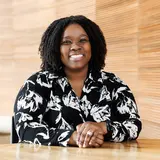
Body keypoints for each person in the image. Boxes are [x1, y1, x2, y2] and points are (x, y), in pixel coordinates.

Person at [14, 15, 142, 148]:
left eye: (83, 40)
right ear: (55, 48)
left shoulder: (114, 84)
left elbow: (133, 125)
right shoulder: (37, 84)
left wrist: (103, 128)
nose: (75, 46)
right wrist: (72, 137)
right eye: (66, 42)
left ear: (93, 45)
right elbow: (25, 128)